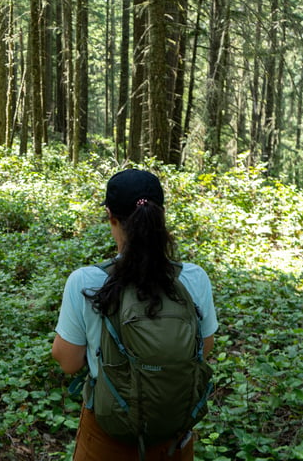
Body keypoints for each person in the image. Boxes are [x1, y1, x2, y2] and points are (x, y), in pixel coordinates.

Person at [51, 169, 218, 460]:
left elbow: (68, 362)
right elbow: (203, 349)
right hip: (173, 436)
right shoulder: (194, 279)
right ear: (162, 214)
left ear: (110, 216)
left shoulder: (85, 282)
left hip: (108, 433)